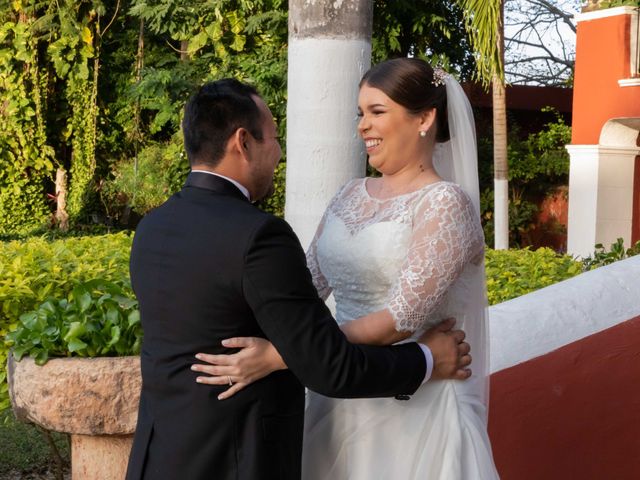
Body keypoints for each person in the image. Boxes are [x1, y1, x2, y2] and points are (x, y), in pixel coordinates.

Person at [125, 78, 473, 480]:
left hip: (162, 453)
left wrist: (276, 355)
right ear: (243, 141)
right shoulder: (258, 235)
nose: (278, 152)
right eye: (273, 138)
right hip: (237, 457)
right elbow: (328, 364)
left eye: (376, 112)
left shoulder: (152, 228)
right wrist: (428, 358)